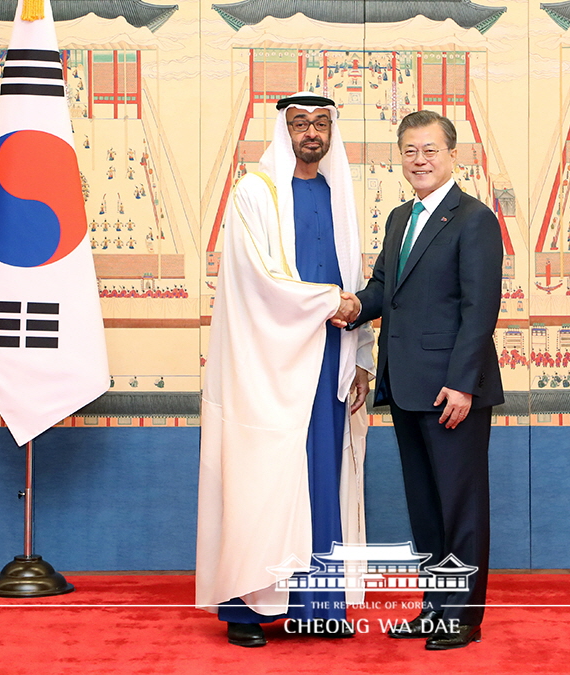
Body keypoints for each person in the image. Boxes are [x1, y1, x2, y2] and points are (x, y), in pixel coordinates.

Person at [197, 93, 374, 647]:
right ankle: (246, 612)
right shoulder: (256, 192)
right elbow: (259, 280)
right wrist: (331, 303)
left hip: (326, 364)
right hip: (265, 368)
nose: (311, 133)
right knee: (262, 478)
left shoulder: (337, 194)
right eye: (300, 124)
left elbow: (354, 274)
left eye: (321, 124)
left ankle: (317, 607)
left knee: (322, 478)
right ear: (285, 130)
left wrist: (362, 358)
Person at [346, 110, 503, 650]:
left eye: (430, 150)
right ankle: (435, 608)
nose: (420, 160)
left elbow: (480, 309)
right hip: (408, 387)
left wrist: (462, 383)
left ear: (453, 156)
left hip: (452, 391)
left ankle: (463, 616)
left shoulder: (474, 218)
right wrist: (341, 306)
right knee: (427, 507)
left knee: (460, 505)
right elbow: (382, 290)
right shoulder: (399, 218)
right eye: (410, 151)